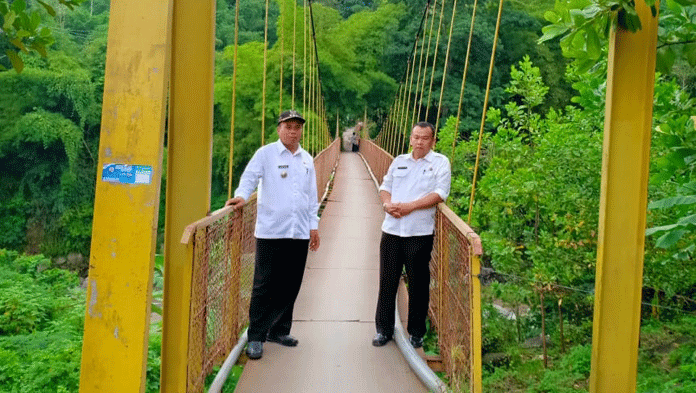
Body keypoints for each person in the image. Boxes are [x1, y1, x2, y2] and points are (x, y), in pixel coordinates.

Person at [225, 109, 321, 360]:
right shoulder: (265, 154)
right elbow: (249, 179)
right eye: (288, 126)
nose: (293, 131)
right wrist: (241, 196)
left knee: (291, 284)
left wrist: (314, 226)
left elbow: (312, 196)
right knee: (264, 285)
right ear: (279, 129)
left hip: (298, 232)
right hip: (271, 232)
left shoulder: (306, 159)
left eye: (297, 127)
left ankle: (279, 330)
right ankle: (256, 336)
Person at [372, 121, 451, 349]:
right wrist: (387, 204)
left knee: (418, 283)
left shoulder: (440, 162)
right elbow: (384, 187)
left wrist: (410, 206)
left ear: (433, 141)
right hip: (392, 230)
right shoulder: (399, 161)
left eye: (424, 138)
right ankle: (383, 330)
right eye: (415, 137)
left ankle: (416, 332)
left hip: (419, 232)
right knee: (387, 281)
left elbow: (439, 193)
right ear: (410, 139)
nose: (419, 141)